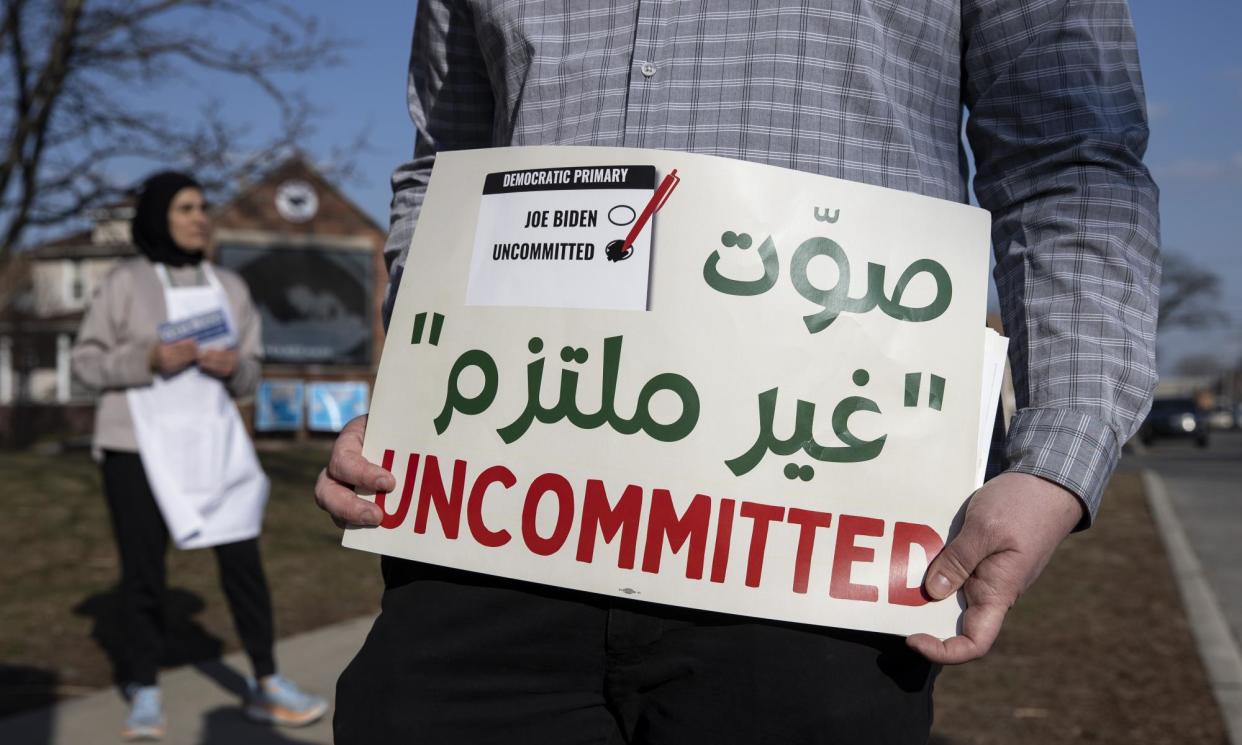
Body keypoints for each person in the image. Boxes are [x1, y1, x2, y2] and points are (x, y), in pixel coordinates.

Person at [316, 1, 1160, 742]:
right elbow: (446, 160)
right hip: (498, 515)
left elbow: (1066, 160)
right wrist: (416, 393)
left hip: (819, 541)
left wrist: (1058, 455)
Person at [72, 171, 328, 740]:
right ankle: (143, 686)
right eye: (185, 208)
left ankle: (267, 682)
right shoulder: (124, 282)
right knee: (143, 572)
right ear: (158, 214)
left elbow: (251, 374)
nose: (198, 218)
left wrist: (232, 367)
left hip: (212, 445)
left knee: (243, 564)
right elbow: (85, 363)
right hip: (135, 447)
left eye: (202, 207)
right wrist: (148, 358)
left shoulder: (230, 287)